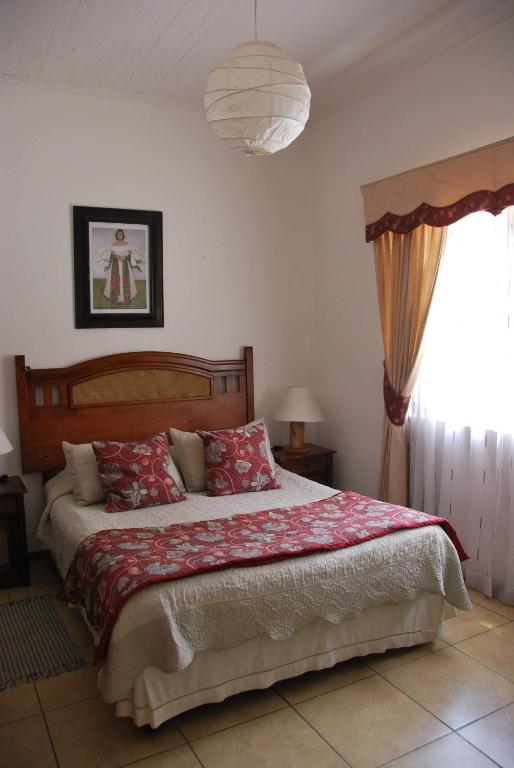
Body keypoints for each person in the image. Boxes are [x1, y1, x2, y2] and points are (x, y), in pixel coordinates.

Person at [103, 228, 141, 306]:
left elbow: (130, 253)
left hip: (124, 264)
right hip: (115, 264)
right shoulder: (114, 244)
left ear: (123, 235)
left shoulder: (127, 243)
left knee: (125, 280)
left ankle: (125, 299)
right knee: (115, 280)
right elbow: (112, 254)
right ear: (116, 235)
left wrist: (125, 257)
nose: (120, 235)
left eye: (121, 234)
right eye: (118, 234)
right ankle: (115, 299)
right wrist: (117, 257)